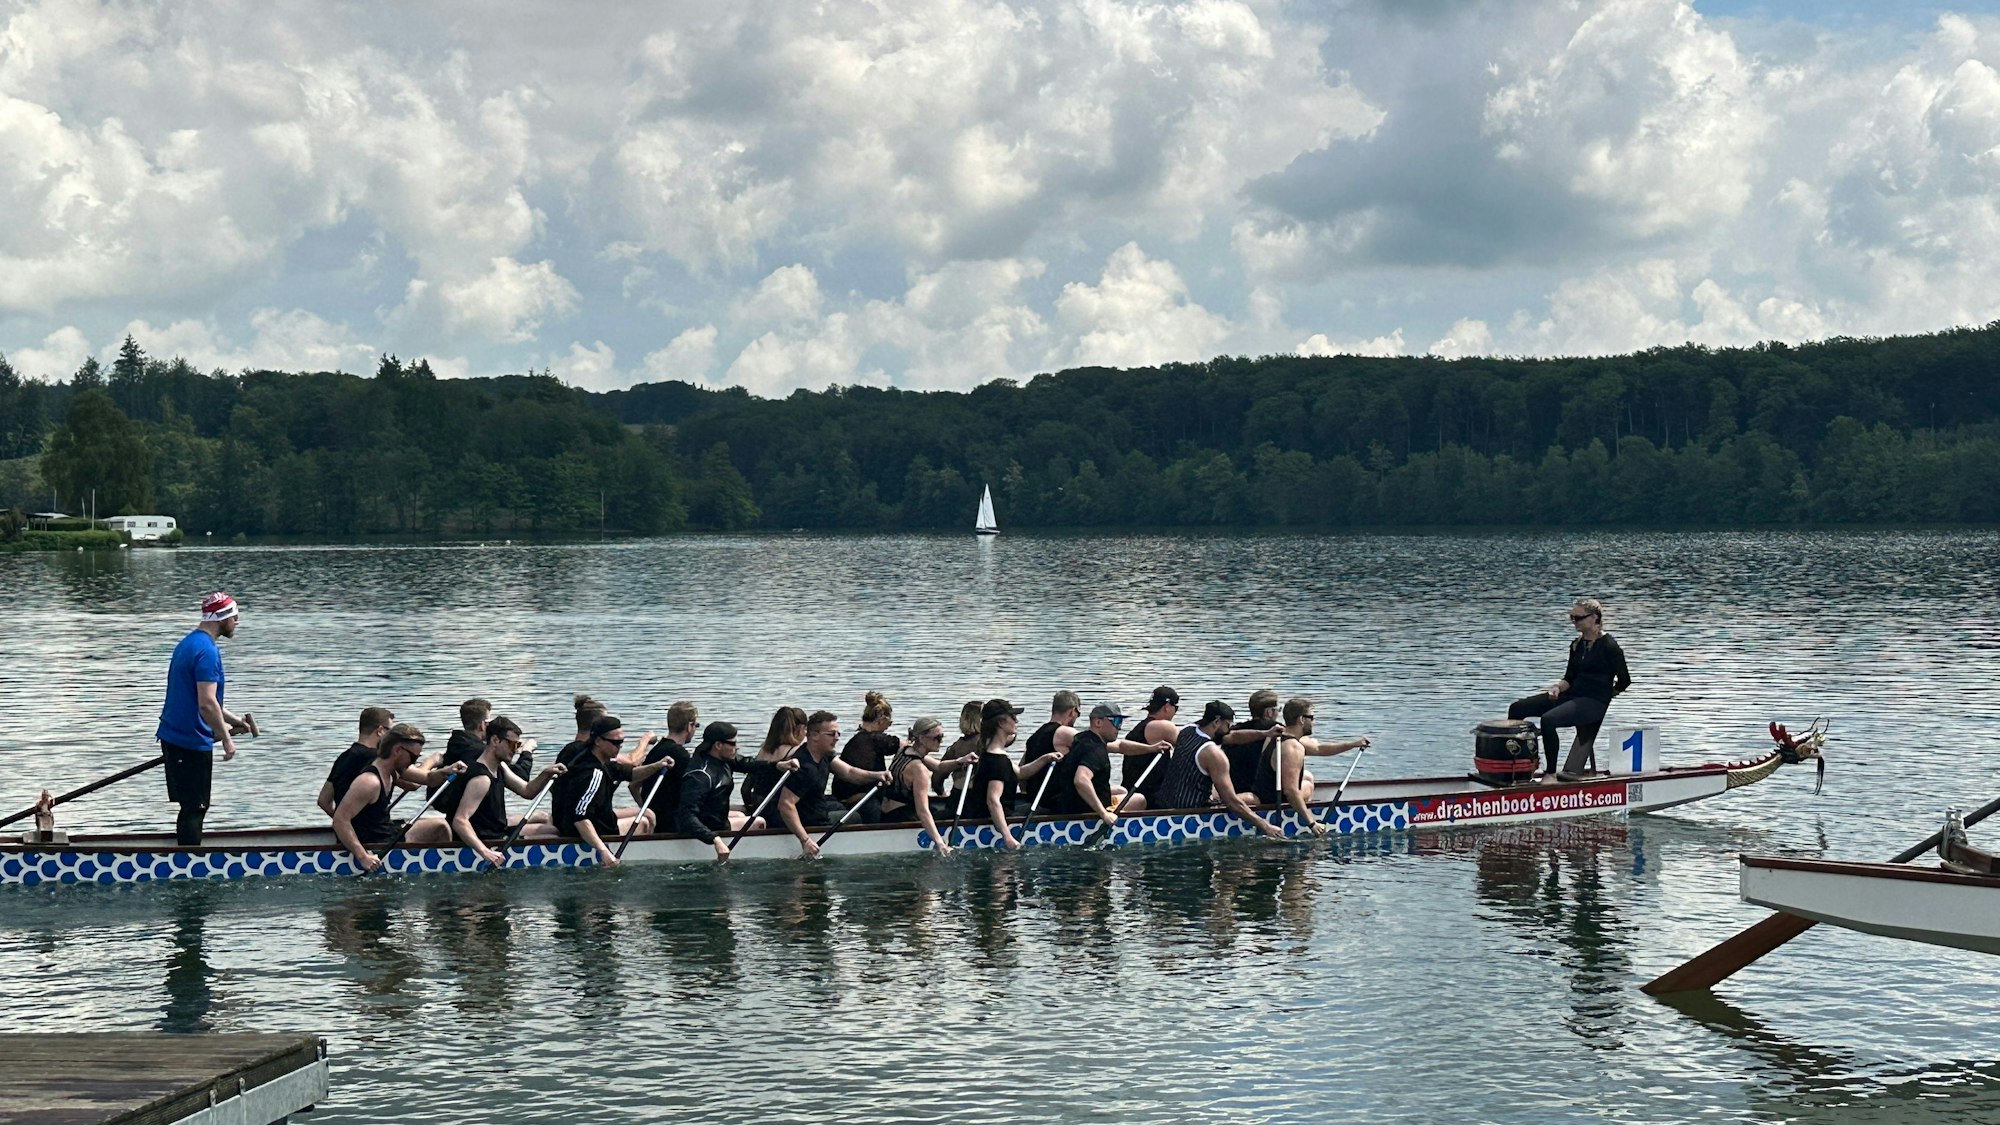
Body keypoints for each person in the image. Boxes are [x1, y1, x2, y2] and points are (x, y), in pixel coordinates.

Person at [155, 592, 255, 845]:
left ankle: (185, 857)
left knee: (192, 805)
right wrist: (226, 740)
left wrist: (234, 723)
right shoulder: (207, 652)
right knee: (195, 806)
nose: (237, 622)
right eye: (234, 616)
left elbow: (207, 702)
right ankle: (187, 866)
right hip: (188, 740)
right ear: (222, 618)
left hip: (176, 736)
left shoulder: (189, 643)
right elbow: (207, 704)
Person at [1507, 598, 1633, 781]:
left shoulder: (1609, 646)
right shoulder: (1576, 645)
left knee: (1548, 720)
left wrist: (1608, 694)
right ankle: (1519, 766)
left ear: (1594, 618)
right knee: (1517, 708)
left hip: (1593, 702)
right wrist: (1557, 688)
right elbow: (1569, 678)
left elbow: (1625, 680)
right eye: (1572, 617)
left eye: (1578, 618)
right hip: (1571, 696)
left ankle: (1550, 774)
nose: (1574, 622)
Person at [437, 716, 567, 866]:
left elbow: (527, 791)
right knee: (553, 834)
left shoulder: (500, 768)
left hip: (497, 831)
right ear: (495, 741)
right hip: (486, 841)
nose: (516, 750)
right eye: (512, 744)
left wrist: (546, 773)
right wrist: (486, 852)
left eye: (518, 745)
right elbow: (460, 821)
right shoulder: (481, 779)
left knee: (549, 824)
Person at [550, 714, 676, 866]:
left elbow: (632, 773)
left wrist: (658, 765)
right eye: (616, 742)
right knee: (643, 822)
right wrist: (603, 851)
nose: (620, 746)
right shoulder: (593, 774)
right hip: (590, 830)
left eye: (622, 742)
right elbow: (580, 818)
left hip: (597, 817)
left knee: (648, 813)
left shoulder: (600, 762)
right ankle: (641, 863)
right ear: (598, 741)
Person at [1156, 701, 1282, 837]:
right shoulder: (1213, 754)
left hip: (1165, 802)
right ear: (1217, 722)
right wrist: (1266, 826)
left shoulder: (1188, 730)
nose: (1229, 729)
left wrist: (1266, 733)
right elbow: (1232, 802)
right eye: (1228, 725)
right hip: (1191, 816)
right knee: (1252, 799)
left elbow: (1233, 736)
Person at [776, 711, 892, 858]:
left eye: (838, 734)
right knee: (857, 816)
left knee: (840, 805)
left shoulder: (825, 755)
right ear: (814, 735)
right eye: (831, 734)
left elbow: (849, 772)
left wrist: (877, 775)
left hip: (816, 808)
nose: (837, 738)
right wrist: (805, 840)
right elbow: (785, 804)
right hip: (811, 821)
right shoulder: (804, 767)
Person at [1253, 697, 1370, 836]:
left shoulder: (1276, 735)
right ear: (1302, 719)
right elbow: (1290, 791)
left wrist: (1352, 744)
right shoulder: (1293, 748)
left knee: (1307, 776)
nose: (1314, 722)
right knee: (1307, 785)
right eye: (1312, 717)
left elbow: (1319, 748)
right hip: (1274, 801)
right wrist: (1312, 823)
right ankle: (1302, 811)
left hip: (1264, 790)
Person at [1044, 702, 1172, 826]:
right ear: (1098, 722)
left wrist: (1152, 748)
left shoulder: (1082, 738)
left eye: (1120, 722)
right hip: (1083, 810)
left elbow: (1121, 746)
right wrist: (1104, 813)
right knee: (1139, 799)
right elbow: (1081, 780)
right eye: (1115, 722)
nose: (1119, 728)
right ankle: (1114, 825)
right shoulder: (1095, 751)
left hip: (1071, 801)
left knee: (1121, 790)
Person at [316, 707, 460, 817]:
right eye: (391, 731)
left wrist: (346, 824)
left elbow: (323, 801)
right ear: (380, 731)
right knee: (440, 829)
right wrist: (432, 761)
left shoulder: (344, 757)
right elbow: (414, 784)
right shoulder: (377, 759)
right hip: (374, 836)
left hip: (357, 832)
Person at [330, 723, 431, 872]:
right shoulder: (369, 782)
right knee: (441, 829)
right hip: (373, 844)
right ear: (397, 750)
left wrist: (444, 767)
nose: (414, 763)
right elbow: (339, 820)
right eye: (413, 757)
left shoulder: (391, 773)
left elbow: (417, 784)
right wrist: (363, 856)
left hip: (384, 833)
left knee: (439, 827)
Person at [674, 722, 765, 860]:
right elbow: (686, 816)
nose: (737, 747)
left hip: (718, 822)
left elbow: (748, 763)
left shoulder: (723, 760)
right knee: (759, 822)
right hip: (707, 831)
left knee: (741, 814)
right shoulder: (700, 775)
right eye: (733, 744)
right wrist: (714, 839)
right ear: (718, 745)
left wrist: (778, 766)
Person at [878, 715, 954, 856]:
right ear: (922, 738)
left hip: (886, 812)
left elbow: (938, 766)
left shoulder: (905, 749)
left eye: (942, 737)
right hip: (902, 816)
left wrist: (961, 761)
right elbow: (922, 811)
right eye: (937, 738)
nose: (940, 741)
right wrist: (940, 843)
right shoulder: (919, 770)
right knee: (949, 812)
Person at [966, 700, 1031, 850]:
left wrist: (1046, 759)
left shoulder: (991, 753)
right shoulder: (998, 761)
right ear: (1001, 723)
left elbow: (1021, 773)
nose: (1017, 721)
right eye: (1013, 718)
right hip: (995, 819)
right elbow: (993, 800)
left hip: (988, 812)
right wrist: (1007, 837)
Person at [633, 700, 699, 826]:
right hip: (672, 823)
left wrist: (646, 810)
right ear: (689, 726)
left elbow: (633, 785)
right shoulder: (680, 754)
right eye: (696, 725)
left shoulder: (657, 749)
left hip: (657, 820)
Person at [836, 691, 902, 806]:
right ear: (881, 719)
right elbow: (899, 745)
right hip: (862, 800)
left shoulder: (855, 740)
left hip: (843, 794)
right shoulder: (876, 740)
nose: (888, 728)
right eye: (889, 723)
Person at [1018, 691, 1080, 811]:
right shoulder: (1064, 732)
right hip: (1055, 803)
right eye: (1079, 713)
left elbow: (1022, 769)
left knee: (1118, 791)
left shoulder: (1034, 737)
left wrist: (1026, 793)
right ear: (1072, 711)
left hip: (1035, 798)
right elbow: (1095, 743)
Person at [741, 706, 808, 817]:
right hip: (778, 812)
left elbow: (745, 789)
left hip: (759, 805)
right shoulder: (796, 752)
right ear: (800, 728)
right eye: (806, 729)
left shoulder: (763, 751)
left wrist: (750, 807)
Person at [1220, 688, 1282, 798]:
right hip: (1258, 792)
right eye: (1278, 709)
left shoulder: (1233, 730)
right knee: (1306, 778)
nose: (1278, 713)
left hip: (1233, 788)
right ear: (1269, 712)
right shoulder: (1276, 730)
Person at [1122, 686, 1179, 805]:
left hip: (1131, 793)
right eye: (1176, 707)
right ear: (1167, 707)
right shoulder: (1163, 727)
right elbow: (1193, 743)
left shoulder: (1139, 728)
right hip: (1151, 799)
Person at [932, 700, 986, 800]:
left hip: (957, 796)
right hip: (980, 797)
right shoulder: (986, 743)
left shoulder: (956, 747)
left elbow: (937, 778)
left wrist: (942, 794)